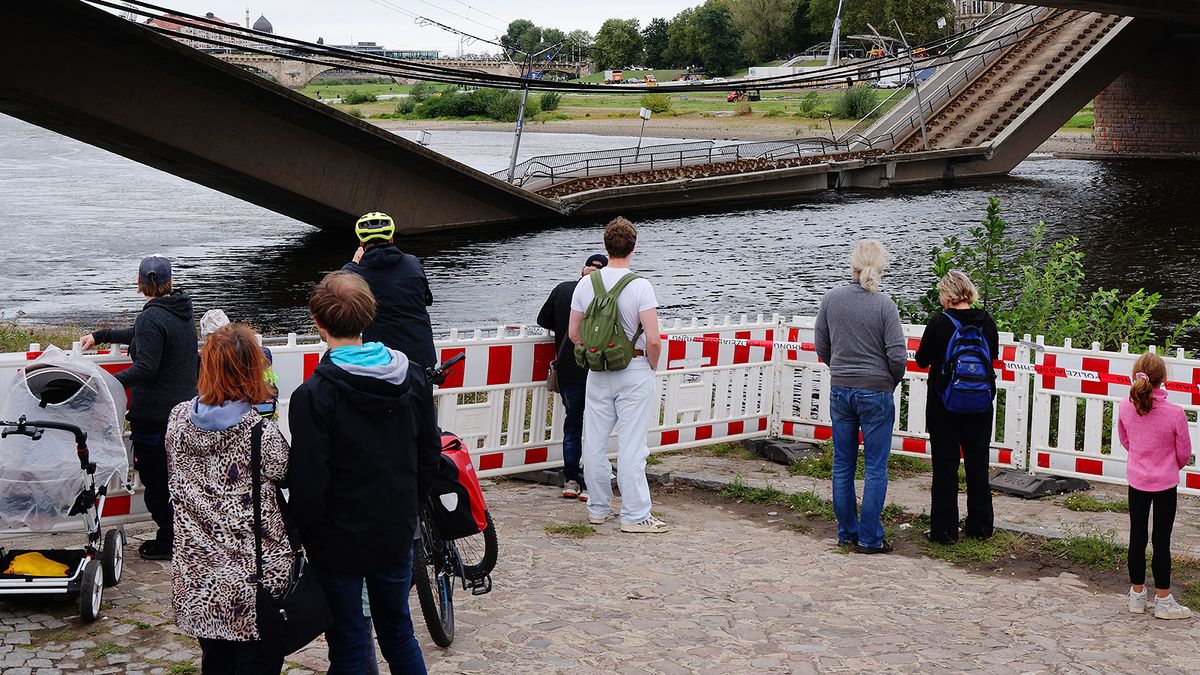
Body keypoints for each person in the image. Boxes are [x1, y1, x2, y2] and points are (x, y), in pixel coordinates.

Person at [288, 271, 439, 673]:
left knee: (349, 637)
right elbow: (429, 453)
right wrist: (411, 505)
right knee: (398, 631)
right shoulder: (413, 378)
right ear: (368, 317)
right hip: (394, 528)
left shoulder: (315, 396)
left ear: (319, 323)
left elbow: (309, 481)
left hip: (338, 538)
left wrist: (303, 530)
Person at [165, 323, 291, 672]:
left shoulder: (177, 420)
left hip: (199, 575)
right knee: (258, 662)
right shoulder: (258, 432)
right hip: (253, 580)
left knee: (215, 662)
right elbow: (285, 470)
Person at [80, 255, 198, 560]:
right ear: (170, 281)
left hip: (155, 417)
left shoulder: (152, 317)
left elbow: (146, 365)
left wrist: (107, 384)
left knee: (156, 480)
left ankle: (169, 540)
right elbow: (143, 335)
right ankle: (183, 535)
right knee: (180, 478)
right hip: (185, 411)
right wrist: (102, 335)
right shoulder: (182, 310)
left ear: (139, 283)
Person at [569, 217, 667, 534]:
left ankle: (597, 509)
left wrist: (597, 352)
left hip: (598, 372)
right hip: (634, 367)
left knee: (594, 444)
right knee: (632, 445)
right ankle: (635, 515)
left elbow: (574, 333)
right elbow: (653, 339)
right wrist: (651, 365)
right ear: (633, 247)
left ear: (606, 246)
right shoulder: (640, 286)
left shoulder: (586, 284)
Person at [814, 240, 906, 554]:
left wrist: (839, 369)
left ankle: (846, 533)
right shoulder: (884, 305)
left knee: (842, 465)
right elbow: (897, 355)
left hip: (841, 388)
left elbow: (822, 347)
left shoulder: (830, 299)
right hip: (876, 390)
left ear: (851, 265)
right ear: (879, 268)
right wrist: (890, 381)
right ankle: (870, 537)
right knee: (876, 467)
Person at [914, 270, 999, 545]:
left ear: (947, 296)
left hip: (944, 404)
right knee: (978, 464)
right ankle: (981, 526)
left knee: (946, 465)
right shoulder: (987, 322)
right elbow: (993, 357)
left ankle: (945, 531)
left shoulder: (940, 323)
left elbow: (922, 360)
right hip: (981, 404)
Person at [1117, 352, 1193, 620]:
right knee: (1162, 540)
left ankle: (1137, 594)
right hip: (1164, 483)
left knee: (1137, 537)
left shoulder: (1125, 406)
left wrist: (1140, 456)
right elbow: (1184, 452)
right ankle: (1163, 599)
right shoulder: (1175, 413)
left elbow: (1125, 440)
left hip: (1137, 480)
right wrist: (1170, 464)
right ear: (1164, 380)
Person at [537, 253, 609, 502]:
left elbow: (542, 319)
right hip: (598, 369)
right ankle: (590, 482)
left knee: (573, 424)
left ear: (583, 269)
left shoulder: (564, 290)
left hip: (569, 366)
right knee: (596, 427)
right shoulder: (606, 297)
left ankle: (570, 480)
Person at [341, 211, 437, 369]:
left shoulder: (353, 274)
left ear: (361, 243)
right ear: (391, 238)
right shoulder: (413, 263)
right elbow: (427, 300)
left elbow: (334, 289)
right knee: (421, 394)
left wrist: (353, 263)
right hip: (421, 356)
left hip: (382, 360)